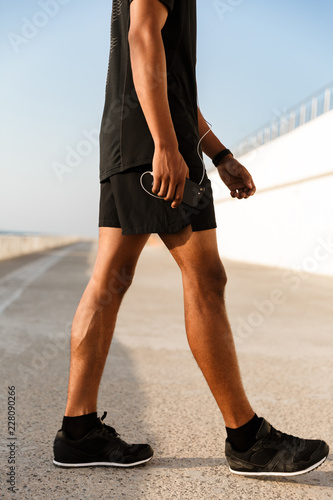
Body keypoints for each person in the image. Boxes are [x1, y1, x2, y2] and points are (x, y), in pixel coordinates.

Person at [53, 0, 329, 475]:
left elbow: (171, 81)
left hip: (128, 140)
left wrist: (220, 155)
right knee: (205, 278)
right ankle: (246, 439)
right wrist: (165, 144)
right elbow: (142, 38)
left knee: (109, 281)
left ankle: (78, 433)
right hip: (153, 146)